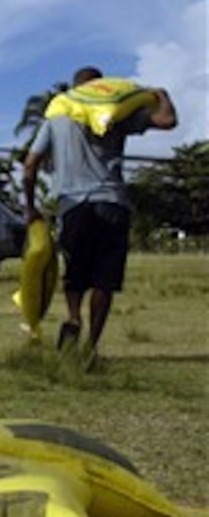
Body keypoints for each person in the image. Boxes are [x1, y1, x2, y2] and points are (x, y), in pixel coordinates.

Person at [22, 66, 177, 371]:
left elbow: (29, 167)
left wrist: (30, 207)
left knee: (75, 273)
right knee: (104, 280)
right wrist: (161, 94)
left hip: (72, 206)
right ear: (104, 87)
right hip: (113, 204)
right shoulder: (118, 114)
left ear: (75, 87)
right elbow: (167, 121)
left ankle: (73, 317)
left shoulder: (56, 118)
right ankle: (92, 347)